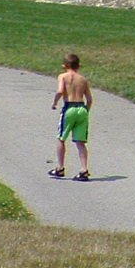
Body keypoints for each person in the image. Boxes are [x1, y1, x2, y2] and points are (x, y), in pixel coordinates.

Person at [49, 53, 94, 182]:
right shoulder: (83, 79)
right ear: (79, 65)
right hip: (81, 108)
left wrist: (55, 102)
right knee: (80, 141)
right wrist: (86, 111)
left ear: (64, 65)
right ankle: (84, 169)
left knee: (61, 138)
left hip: (69, 107)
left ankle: (60, 167)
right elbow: (89, 99)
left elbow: (60, 91)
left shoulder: (63, 76)